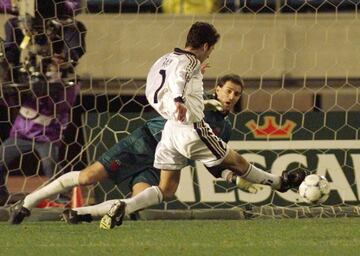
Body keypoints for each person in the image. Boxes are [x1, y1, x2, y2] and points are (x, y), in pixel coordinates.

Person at [99, 21, 306, 230]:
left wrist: (176, 101)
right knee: (237, 161)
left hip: (170, 131)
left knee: (166, 188)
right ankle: (281, 183)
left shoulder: (166, 59)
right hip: (192, 129)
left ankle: (124, 206)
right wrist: (179, 99)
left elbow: (161, 84)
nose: (209, 54)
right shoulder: (190, 62)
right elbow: (179, 79)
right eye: (211, 49)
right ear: (206, 46)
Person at [9, 73, 260, 224]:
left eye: (236, 94)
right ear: (218, 89)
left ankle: (79, 213)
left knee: (136, 201)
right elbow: (177, 96)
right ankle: (28, 202)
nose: (231, 97)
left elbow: (212, 162)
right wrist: (205, 101)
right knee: (87, 177)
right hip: (143, 143)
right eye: (228, 91)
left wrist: (234, 178)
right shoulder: (196, 97)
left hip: (160, 163)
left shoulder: (223, 130)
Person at [0, 0, 86, 206]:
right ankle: (1, 196)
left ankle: (64, 200)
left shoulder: (65, 87)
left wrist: (63, 63)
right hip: (22, 131)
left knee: (52, 167)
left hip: (47, 134)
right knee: (1, 160)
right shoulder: (26, 84)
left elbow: (76, 5)